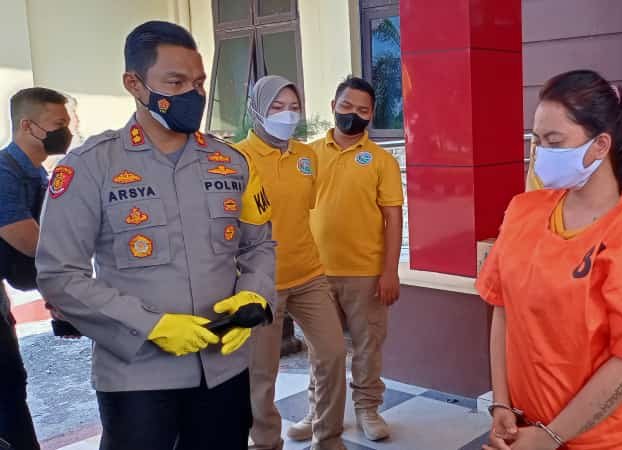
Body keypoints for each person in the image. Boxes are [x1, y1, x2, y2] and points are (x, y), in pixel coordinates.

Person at [35, 21, 276, 450]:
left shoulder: (232, 162)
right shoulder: (90, 167)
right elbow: (60, 276)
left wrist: (255, 294)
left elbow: (259, 244)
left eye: (199, 83)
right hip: (137, 379)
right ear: (134, 84)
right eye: (175, 82)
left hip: (223, 368)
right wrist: (151, 326)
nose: (193, 94)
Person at [477, 70, 622, 450]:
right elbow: (503, 308)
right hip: (533, 427)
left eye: (554, 141)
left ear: (600, 145)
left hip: (619, 438)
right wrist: (502, 401)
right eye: (536, 140)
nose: (540, 154)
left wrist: (552, 436)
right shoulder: (523, 210)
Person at [234, 75, 349, 450]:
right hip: (260, 282)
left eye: (294, 107)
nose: (287, 115)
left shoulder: (306, 157)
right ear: (255, 109)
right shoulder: (236, 159)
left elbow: (302, 211)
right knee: (261, 374)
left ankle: (327, 438)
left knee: (332, 354)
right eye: (276, 107)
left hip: (309, 274)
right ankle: (266, 442)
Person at [289, 76, 403, 443]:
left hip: (366, 273)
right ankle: (318, 412)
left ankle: (367, 408)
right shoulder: (306, 156)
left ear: (371, 114)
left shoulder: (382, 161)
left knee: (368, 347)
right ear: (333, 106)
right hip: (314, 274)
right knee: (321, 352)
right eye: (346, 106)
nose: (353, 114)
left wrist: (389, 271)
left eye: (362, 109)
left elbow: (393, 218)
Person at [0, 87, 72, 450]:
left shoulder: (36, 175)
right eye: (59, 124)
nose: (68, 131)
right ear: (28, 126)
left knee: (11, 385)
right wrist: (67, 291)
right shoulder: (3, 173)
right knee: (6, 389)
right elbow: (31, 243)